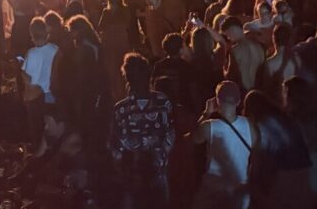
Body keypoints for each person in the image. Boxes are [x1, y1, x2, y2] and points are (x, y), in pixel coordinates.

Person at [109, 53, 175, 208]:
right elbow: (170, 134)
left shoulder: (121, 108)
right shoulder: (162, 101)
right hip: (158, 167)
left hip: (131, 171)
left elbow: (114, 143)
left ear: (127, 78)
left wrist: (121, 162)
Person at [241, 90, 313, 209]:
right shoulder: (284, 119)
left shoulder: (261, 126)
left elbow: (257, 160)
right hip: (304, 174)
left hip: (284, 176)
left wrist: (249, 182)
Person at [191, 80, 255, 209]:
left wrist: (206, 113)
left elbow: (191, 139)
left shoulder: (209, 127)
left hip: (213, 189)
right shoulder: (251, 125)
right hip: (240, 191)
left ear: (217, 101)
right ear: (238, 101)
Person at [21, 17, 59, 150]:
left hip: (35, 97)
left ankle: (38, 154)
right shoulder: (55, 49)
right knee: (50, 129)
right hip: (52, 95)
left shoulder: (31, 54)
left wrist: (20, 70)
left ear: (31, 35)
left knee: (36, 130)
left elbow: (28, 79)